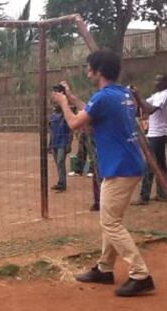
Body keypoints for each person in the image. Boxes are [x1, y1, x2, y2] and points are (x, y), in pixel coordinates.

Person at [51, 49, 154, 297]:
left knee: (110, 222)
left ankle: (141, 274)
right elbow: (94, 111)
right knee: (112, 221)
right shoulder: (122, 94)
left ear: (98, 71)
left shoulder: (104, 97)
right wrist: (74, 99)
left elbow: (76, 123)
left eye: (89, 68)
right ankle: (104, 268)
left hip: (119, 167)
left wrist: (64, 103)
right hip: (127, 164)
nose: (87, 71)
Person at [130, 74, 167, 205]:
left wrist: (138, 96)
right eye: (155, 79)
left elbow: (149, 109)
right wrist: (134, 96)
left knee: (150, 164)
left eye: (159, 80)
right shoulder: (157, 95)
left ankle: (144, 196)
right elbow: (143, 105)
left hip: (158, 134)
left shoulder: (165, 94)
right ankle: (162, 193)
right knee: (160, 164)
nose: (155, 82)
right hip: (156, 134)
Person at [49, 104, 72, 193]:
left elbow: (70, 131)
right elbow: (51, 131)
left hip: (63, 143)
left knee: (60, 162)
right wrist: (50, 144)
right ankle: (60, 181)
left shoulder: (65, 117)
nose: (55, 107)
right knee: (58, 164)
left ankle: (63, 184)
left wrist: (69, 144)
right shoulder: (53, 117)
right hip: (55, 142)